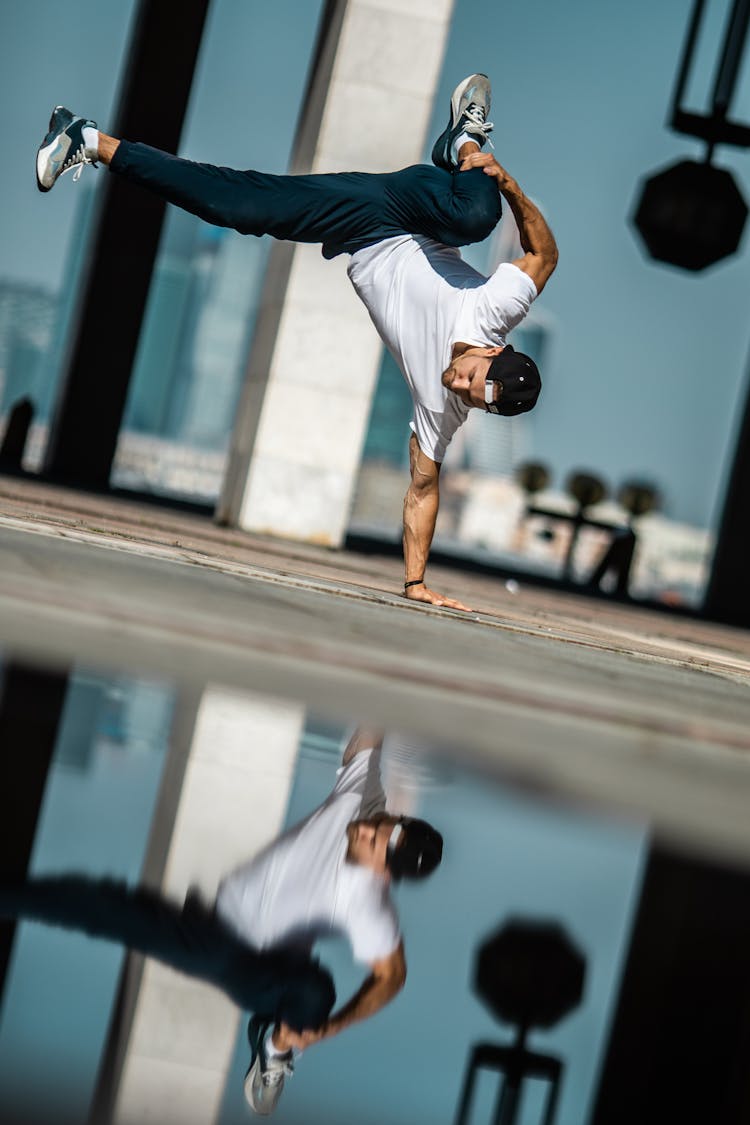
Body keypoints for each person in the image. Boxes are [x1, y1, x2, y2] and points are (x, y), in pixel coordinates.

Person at [36, 74, 558, 611]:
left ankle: (89, 140)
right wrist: (512, 188)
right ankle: (466, 142)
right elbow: (544, 256)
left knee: (239, 209)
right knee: (478, 214)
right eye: (472, 379)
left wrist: (415, 584)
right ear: (493, 351)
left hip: (362, 230)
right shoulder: (496, 309)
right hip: (407, 211)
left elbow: (423, 490)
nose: (458, 385)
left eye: (469, 397)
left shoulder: (441, 410)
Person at [0, 728, 442, 1116]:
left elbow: (392, 976)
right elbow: (368, 739)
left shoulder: (367, 903)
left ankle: (276, 1050)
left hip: (244, 964)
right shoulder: (363, 800)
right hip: (210, 923)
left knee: (316, 990)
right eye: (380, 823)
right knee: (107, 904)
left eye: (373, 841)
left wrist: (331, 1028)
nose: (364, 829)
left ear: (384, 871)